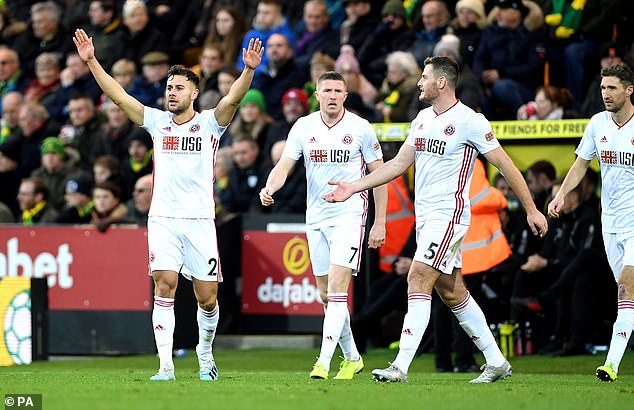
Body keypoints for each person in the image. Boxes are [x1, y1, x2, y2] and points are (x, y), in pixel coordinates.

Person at [323, 56, 548, 383]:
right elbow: (398, 164)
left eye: (424, 77)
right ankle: (497, 361)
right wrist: (353, 187)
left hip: (449, 214)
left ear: (441, 82)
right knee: (452, 292)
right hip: (426, 218)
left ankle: (399, 367)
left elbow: (506, 165)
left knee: (417, 277)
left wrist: (530, 208)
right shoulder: (422, 120)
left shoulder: (470, 121)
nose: (419, 82)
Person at [72, 28, 263, 381]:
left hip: (200, 220)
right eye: (169, 88)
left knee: (207, 298)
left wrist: (248, 71)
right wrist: (92, 62)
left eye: (178, 88)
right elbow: (119, 97)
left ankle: (205, 353)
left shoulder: (209, 124)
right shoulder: (158, 123)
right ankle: (165, 367)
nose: (171, 93)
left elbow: (232, 100)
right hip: (162, 218)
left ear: (194, 92)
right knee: (164, 284)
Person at [259, 70, 387, 380]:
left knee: (339, 290)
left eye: (337, 91)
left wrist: (379, 221)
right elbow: (284, 166)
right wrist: (269, 187)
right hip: (315, 216)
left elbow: (380, 176)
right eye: (326, 90)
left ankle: (323, 362)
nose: (331, 96)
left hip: (350, 213)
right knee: (326, 294)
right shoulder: (303, 127)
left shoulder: (360, 128)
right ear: (317, 96)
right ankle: (353, 357)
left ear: (346, 95)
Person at [547, 62, 634, 383]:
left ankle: (610, 365)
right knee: (628, 294)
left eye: (612, 88)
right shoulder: (598, 123)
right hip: (610, 222)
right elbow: (581, 164)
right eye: (602, 88)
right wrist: (560, 196)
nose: (605, 94)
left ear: (629, 90)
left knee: (626, 289)